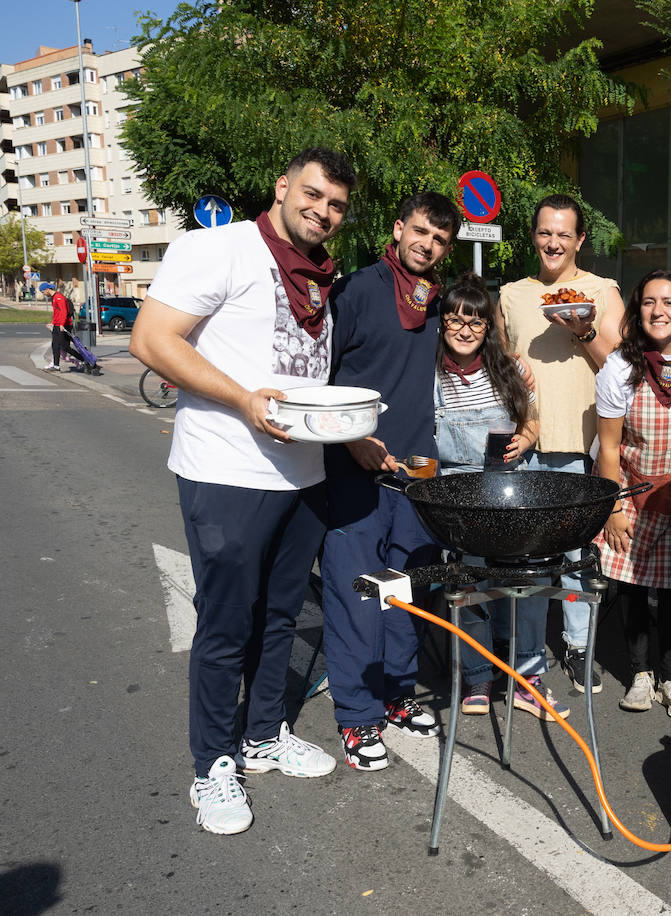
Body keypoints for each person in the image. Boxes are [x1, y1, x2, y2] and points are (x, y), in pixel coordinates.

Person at [130, 147, 357, 835]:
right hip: (227, 471)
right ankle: (212, 766)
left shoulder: (322, 277)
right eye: (312, 194)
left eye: (337, 205)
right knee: (227, 625)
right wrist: (240, 398)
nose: (322, 210)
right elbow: (150, 339)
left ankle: (262, 738)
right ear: (282, 186)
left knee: (279, 620)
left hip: (303, 476)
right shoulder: (218, 249)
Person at [318, 191, 458, 771]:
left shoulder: (437, 304)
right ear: (399, 229)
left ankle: (398, 694)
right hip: (352, 467)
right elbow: (316, 374)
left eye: (440, 240)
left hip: (415, 470)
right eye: (420, 232)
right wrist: (350, 440)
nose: (427, 245)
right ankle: (356, 716)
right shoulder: (354, 292)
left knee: (404, 589)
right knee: (355, 592)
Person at [496, 194, 626, 695]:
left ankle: (577, 647)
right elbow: (500, 363)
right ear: (535, 236)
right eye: (545, 233)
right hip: (524, 443)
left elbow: (619, 366)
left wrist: (584, 329)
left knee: (575, 557)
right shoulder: (511, 293)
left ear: (579, 240)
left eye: (564, 234)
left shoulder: (602, 290)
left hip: (580, 442)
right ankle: (529, 656)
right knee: (527, 556)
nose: (554, 242)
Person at [433, 273, 568, 720]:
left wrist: (526, 441)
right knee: (469, 586)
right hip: (460, 497)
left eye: (475, 321)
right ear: (442, 324)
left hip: (511, 490)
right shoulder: (429, 375)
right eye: (455, 320)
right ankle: (477, 677)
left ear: (489, 326)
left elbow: (533, 416)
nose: (465, 330)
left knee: (526, 586)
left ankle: (528, 677)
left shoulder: (510, 370)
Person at [594, 269, 671, 718]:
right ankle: (640, 674)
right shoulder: (620, 369)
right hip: (633, 490)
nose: (658, 311)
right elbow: (609, 447)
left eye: (668, 302)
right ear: (637, 311)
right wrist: (613, 508)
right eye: (649, 302)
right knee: (630, 586)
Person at [41, 282, 79, 371]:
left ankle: (81, 359)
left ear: (47, 289)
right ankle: (56, 365)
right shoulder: (53, 298)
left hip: (63, 325)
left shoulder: (59, 297)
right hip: (57, 325)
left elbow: (63, 312)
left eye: (43, 292)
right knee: (55, 345)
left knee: (65, 347)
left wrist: (61, 324)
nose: (43, 294)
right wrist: (53, 323)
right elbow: (56, 313)